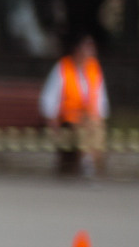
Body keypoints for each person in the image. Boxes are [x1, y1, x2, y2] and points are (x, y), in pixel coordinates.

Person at [41, 34, 109, 179]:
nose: (90, 52)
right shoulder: (63, 68)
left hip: (89, 118)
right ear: (77, 50)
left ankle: (91, 161)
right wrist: (51, 120)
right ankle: (88, 163)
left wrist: (99, 118)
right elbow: (49, 98)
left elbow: (101, 98)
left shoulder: (94, 68)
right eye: (87, 48)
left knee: (95, 128)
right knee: (84, 128)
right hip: (69, 118)